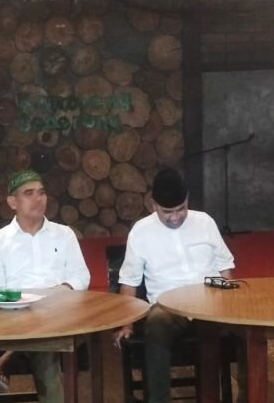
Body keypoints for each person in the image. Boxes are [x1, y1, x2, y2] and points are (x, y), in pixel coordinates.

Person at [113, 167, 236, 403]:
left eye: (181, 209)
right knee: (156, 324)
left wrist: (231, 305)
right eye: (167, 211)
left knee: (236, 330)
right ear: (153, 205)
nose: (175, 217)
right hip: (167, 306)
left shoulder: (205, 222)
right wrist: (126, 324)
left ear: (187, 199)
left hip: (209, 302)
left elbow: (225, 268)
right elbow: (129, 282)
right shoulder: (141, 232)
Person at [0, 169, 90, 403]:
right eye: (28, 193)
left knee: (48, 334)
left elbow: (81, 276)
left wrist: (61, 290)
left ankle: (6, 359)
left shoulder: (64, 234)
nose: (38, 199)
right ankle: (10, 357)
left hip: (62, 314)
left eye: (41, 193)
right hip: (17, 318)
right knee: (45, 344)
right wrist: (21, 300)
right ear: (13, 202)